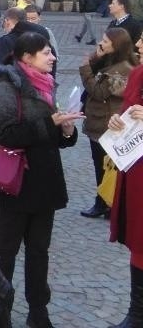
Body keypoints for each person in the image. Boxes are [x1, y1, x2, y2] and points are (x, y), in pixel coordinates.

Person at [0, 32, 83, 327]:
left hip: (44, 184)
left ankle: (38, 311)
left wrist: (67, 132)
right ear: (27, 58)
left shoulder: (46, 86)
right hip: (15, 185)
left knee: (39, 251)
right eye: (46, 53)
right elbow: (2, 134)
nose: (53, 57)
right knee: (6, 252)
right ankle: (1, 311)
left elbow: (51, 137)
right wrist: (47, 124)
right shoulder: (7, 86)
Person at [78, 28, 135, 219]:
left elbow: (99, 92)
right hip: (100, 122)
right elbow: (98, 73)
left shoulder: (123, 70)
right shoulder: (112, 62)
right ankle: (106, 203)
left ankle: (105, 203)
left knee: (106, 168)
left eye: (105, 41)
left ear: (116, 45)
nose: (101, 43)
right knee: (102, 166)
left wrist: (85, 67)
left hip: (106, 126)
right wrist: (96, 56)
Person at [107, 33, 143, 328]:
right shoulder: (138, 75)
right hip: (136, 172)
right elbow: (124, 115)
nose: (139, 45)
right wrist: (116, 122)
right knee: (139, 241)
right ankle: (137, 312)